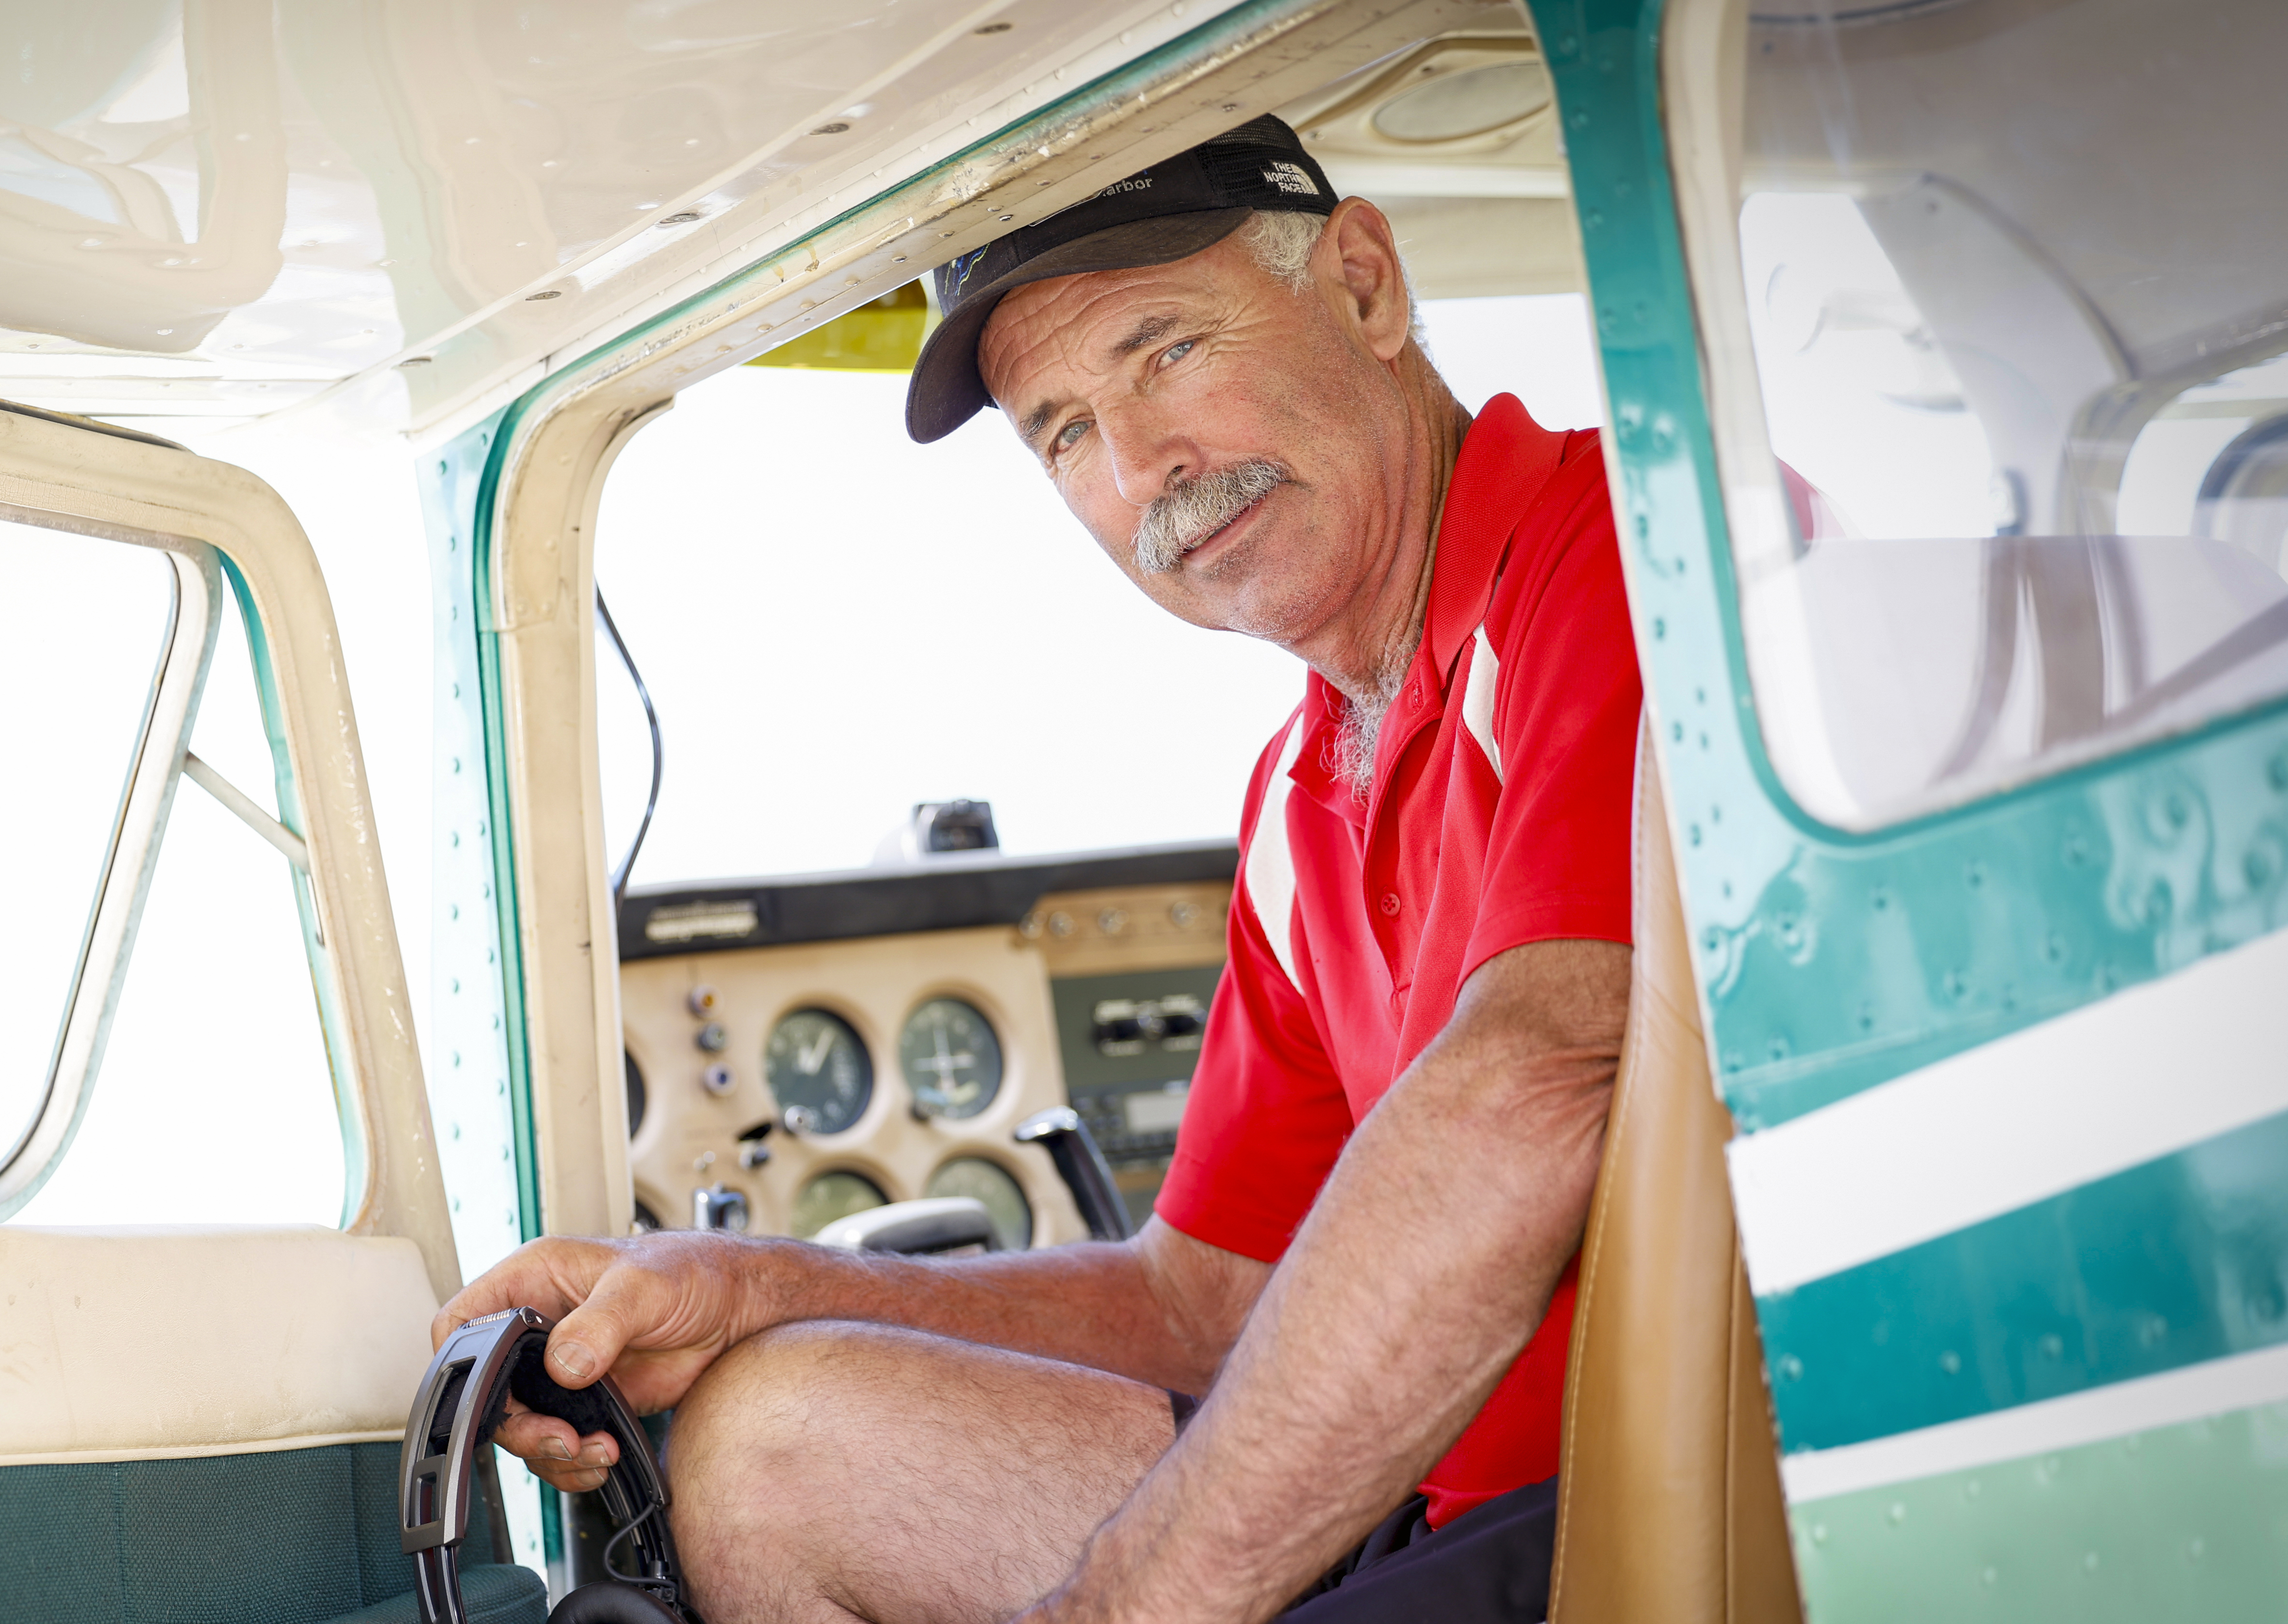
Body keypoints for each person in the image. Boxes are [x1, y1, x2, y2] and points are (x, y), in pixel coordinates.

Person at [436, 115, 1640, 1624]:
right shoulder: (1295, 798)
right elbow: (1203, 1302)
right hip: (1421, 1518)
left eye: (1167, 351)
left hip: (1637, 1517)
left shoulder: (1624, 550)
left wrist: (1125, 1607)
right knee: (769, 1445)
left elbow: (1535, 1086)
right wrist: (760, 1285)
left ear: (1365, 286)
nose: (1143, 468)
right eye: (1064, 430)